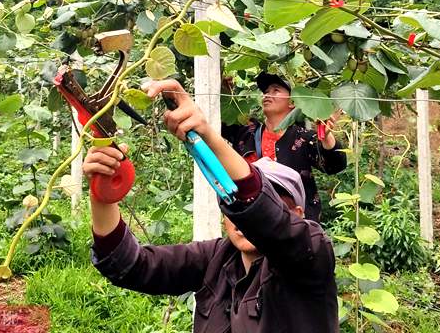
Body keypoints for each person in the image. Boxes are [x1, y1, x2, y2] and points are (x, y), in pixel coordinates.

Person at [84, 79, 338, 333]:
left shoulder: (312, 256)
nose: (245, 218)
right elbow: (132, 266)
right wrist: (104, 195)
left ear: (297, 214)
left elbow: (266, 215)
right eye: (232, 199)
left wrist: (207, 135)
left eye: (277, 202)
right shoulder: (215, 260)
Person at [222, 72, 347, 222]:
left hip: (294, 225)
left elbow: (335, 165)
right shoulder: (246, 132)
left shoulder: (304, 137)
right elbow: (215, 119)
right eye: (266, 91)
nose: (268, 94)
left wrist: (327, 138)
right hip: (251, 223)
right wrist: (224, 89)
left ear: (292, 102)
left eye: (276, 90)